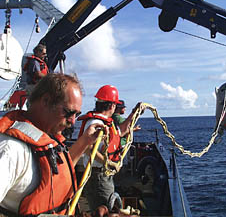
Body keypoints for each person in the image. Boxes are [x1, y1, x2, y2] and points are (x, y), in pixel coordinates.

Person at [0, 73, 105, 216]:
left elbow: (59, 171)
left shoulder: (47, 137)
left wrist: (85, 141)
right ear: (46, 101)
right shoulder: (10, 150)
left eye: (76, 115)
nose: (73, 121)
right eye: (69, 112)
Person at [77, 85, 142, 211]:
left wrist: (135, 112)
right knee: (104, 209)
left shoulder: (107, 122)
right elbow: (87, 148)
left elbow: (121, 131)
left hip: (104, 175)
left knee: (109, 206)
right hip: (98, 177)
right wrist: (109, 163)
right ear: (112, 106)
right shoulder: (95, 123)